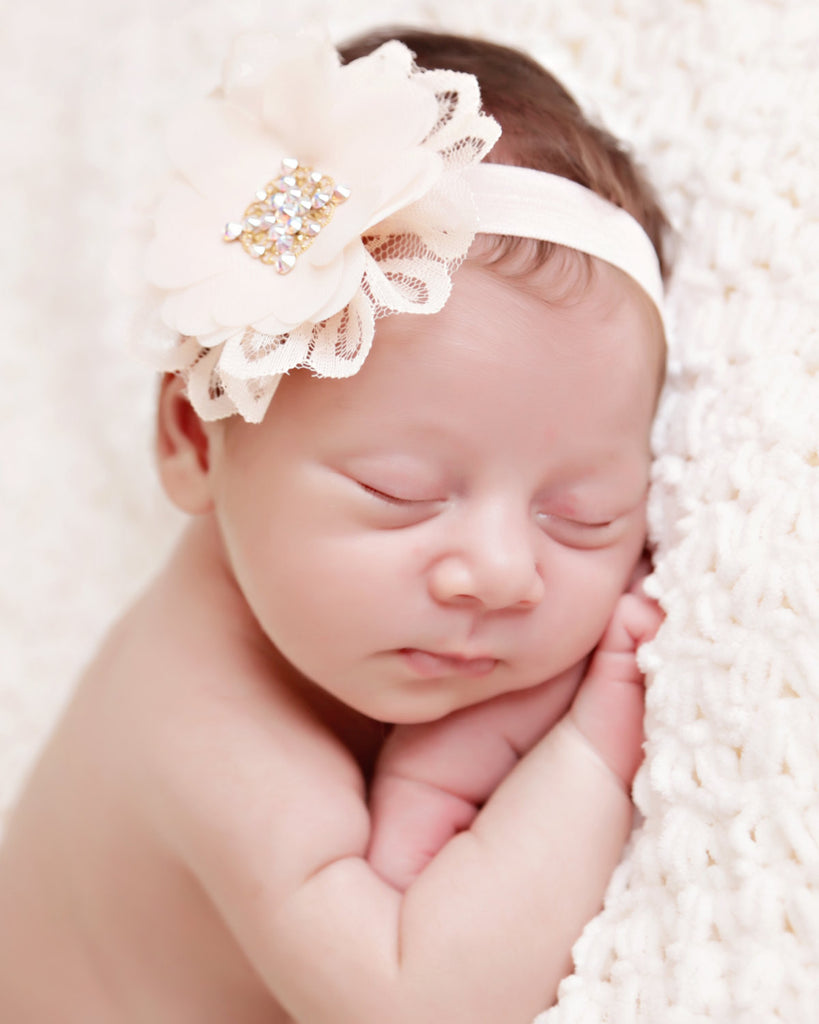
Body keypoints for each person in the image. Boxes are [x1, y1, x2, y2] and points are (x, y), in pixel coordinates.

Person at [0, 26, 669, 1024]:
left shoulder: (356, 618)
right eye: (400, 492)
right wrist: (595, 748)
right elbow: (422, 1000)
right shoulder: (199, 721)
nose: (501, 570)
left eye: (582, 515)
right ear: (195, 437)